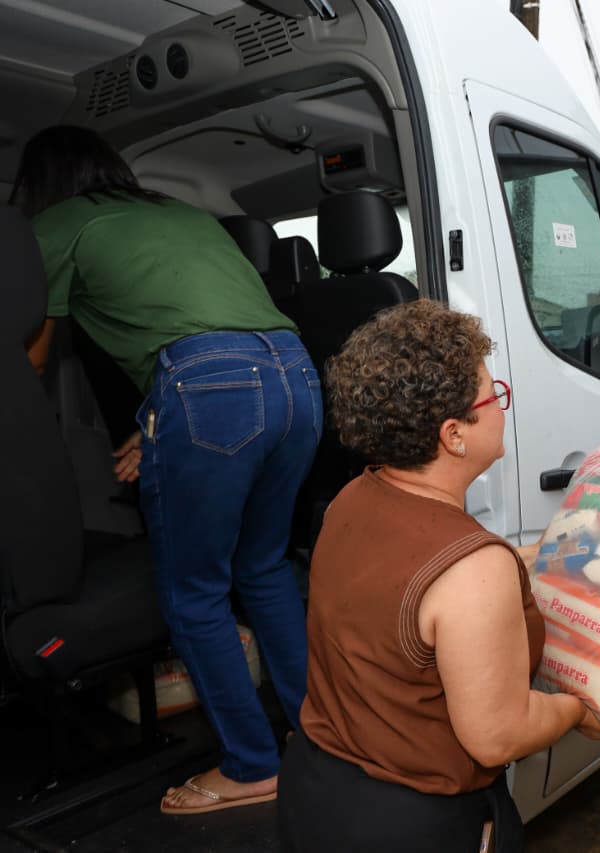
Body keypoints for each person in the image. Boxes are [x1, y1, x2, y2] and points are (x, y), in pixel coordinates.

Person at [11, 125, 318, 814]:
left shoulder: (56, 224)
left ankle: (251, 765)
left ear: (41, 184)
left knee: (192, 594)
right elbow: (222, 335)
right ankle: (317, 734)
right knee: (263, 566)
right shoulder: (182, 214)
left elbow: (30, 359)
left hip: (210, 392)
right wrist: (163, 420)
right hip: (296, 376)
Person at [276, 300, 600, 852]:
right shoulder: (473, 569)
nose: (503, 407)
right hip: (413, 825)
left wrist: (543, 553)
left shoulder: (352, 499)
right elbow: (498, 736)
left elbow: (415, 585)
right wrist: (579, 709)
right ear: (454, 434)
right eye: (493, 395)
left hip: (315, 793)